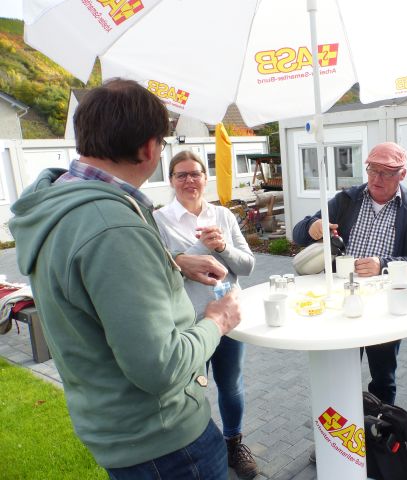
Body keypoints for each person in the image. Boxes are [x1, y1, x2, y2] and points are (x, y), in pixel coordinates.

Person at [8, 79, 241, 480]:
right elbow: (160, 366)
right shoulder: (112, 227)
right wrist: (218, 321)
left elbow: (90, 285)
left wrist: (173, 262)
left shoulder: (62, 201)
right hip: (165, 442)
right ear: (149, 148)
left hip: (118, 430)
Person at [293, 141, 407, 406]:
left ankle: (379, 426)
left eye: (386, 173)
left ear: (402, 175)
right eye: (372, 170)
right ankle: (342, 428)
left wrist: (383, 264)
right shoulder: (347, 200)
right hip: (339, 303)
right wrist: (312, 226)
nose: (376, 179)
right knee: (339, 372)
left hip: (383, 307)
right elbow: (299, 233)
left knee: (383, 378)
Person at [153, 151, 258, 479]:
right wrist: (202, 249)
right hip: (186, 324)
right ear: (171, 180)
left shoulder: (223, 215)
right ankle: (195, 449)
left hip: (227, 319)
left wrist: (223, 247)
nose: (189, 180)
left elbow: (248, 266)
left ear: (205, 177)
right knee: (190, 390)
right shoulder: (159, 221)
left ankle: (233, 443)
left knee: (231, 384)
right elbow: (159, 271)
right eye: (181, 175)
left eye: (195, 174)